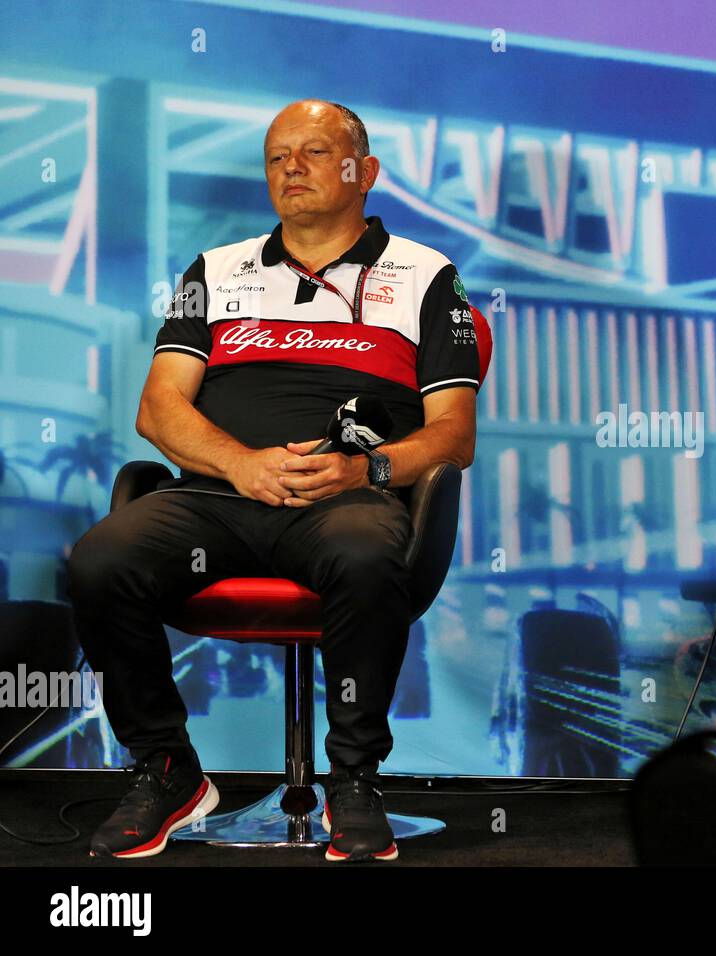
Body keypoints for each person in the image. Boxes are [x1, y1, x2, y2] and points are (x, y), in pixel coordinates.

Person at [68, 100, 481, 861]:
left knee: (363, 550)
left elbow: (454, 433)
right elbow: (159, 409)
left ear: (367, 171)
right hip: (216, 498)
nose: (290, 166)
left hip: (344, 499)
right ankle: (167, 768)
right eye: (276, 156)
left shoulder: (432, 279)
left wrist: (368, 469)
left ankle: (353, 779)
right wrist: (242, 464)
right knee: (97, 560)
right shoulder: (211, 271)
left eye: (315, 151)